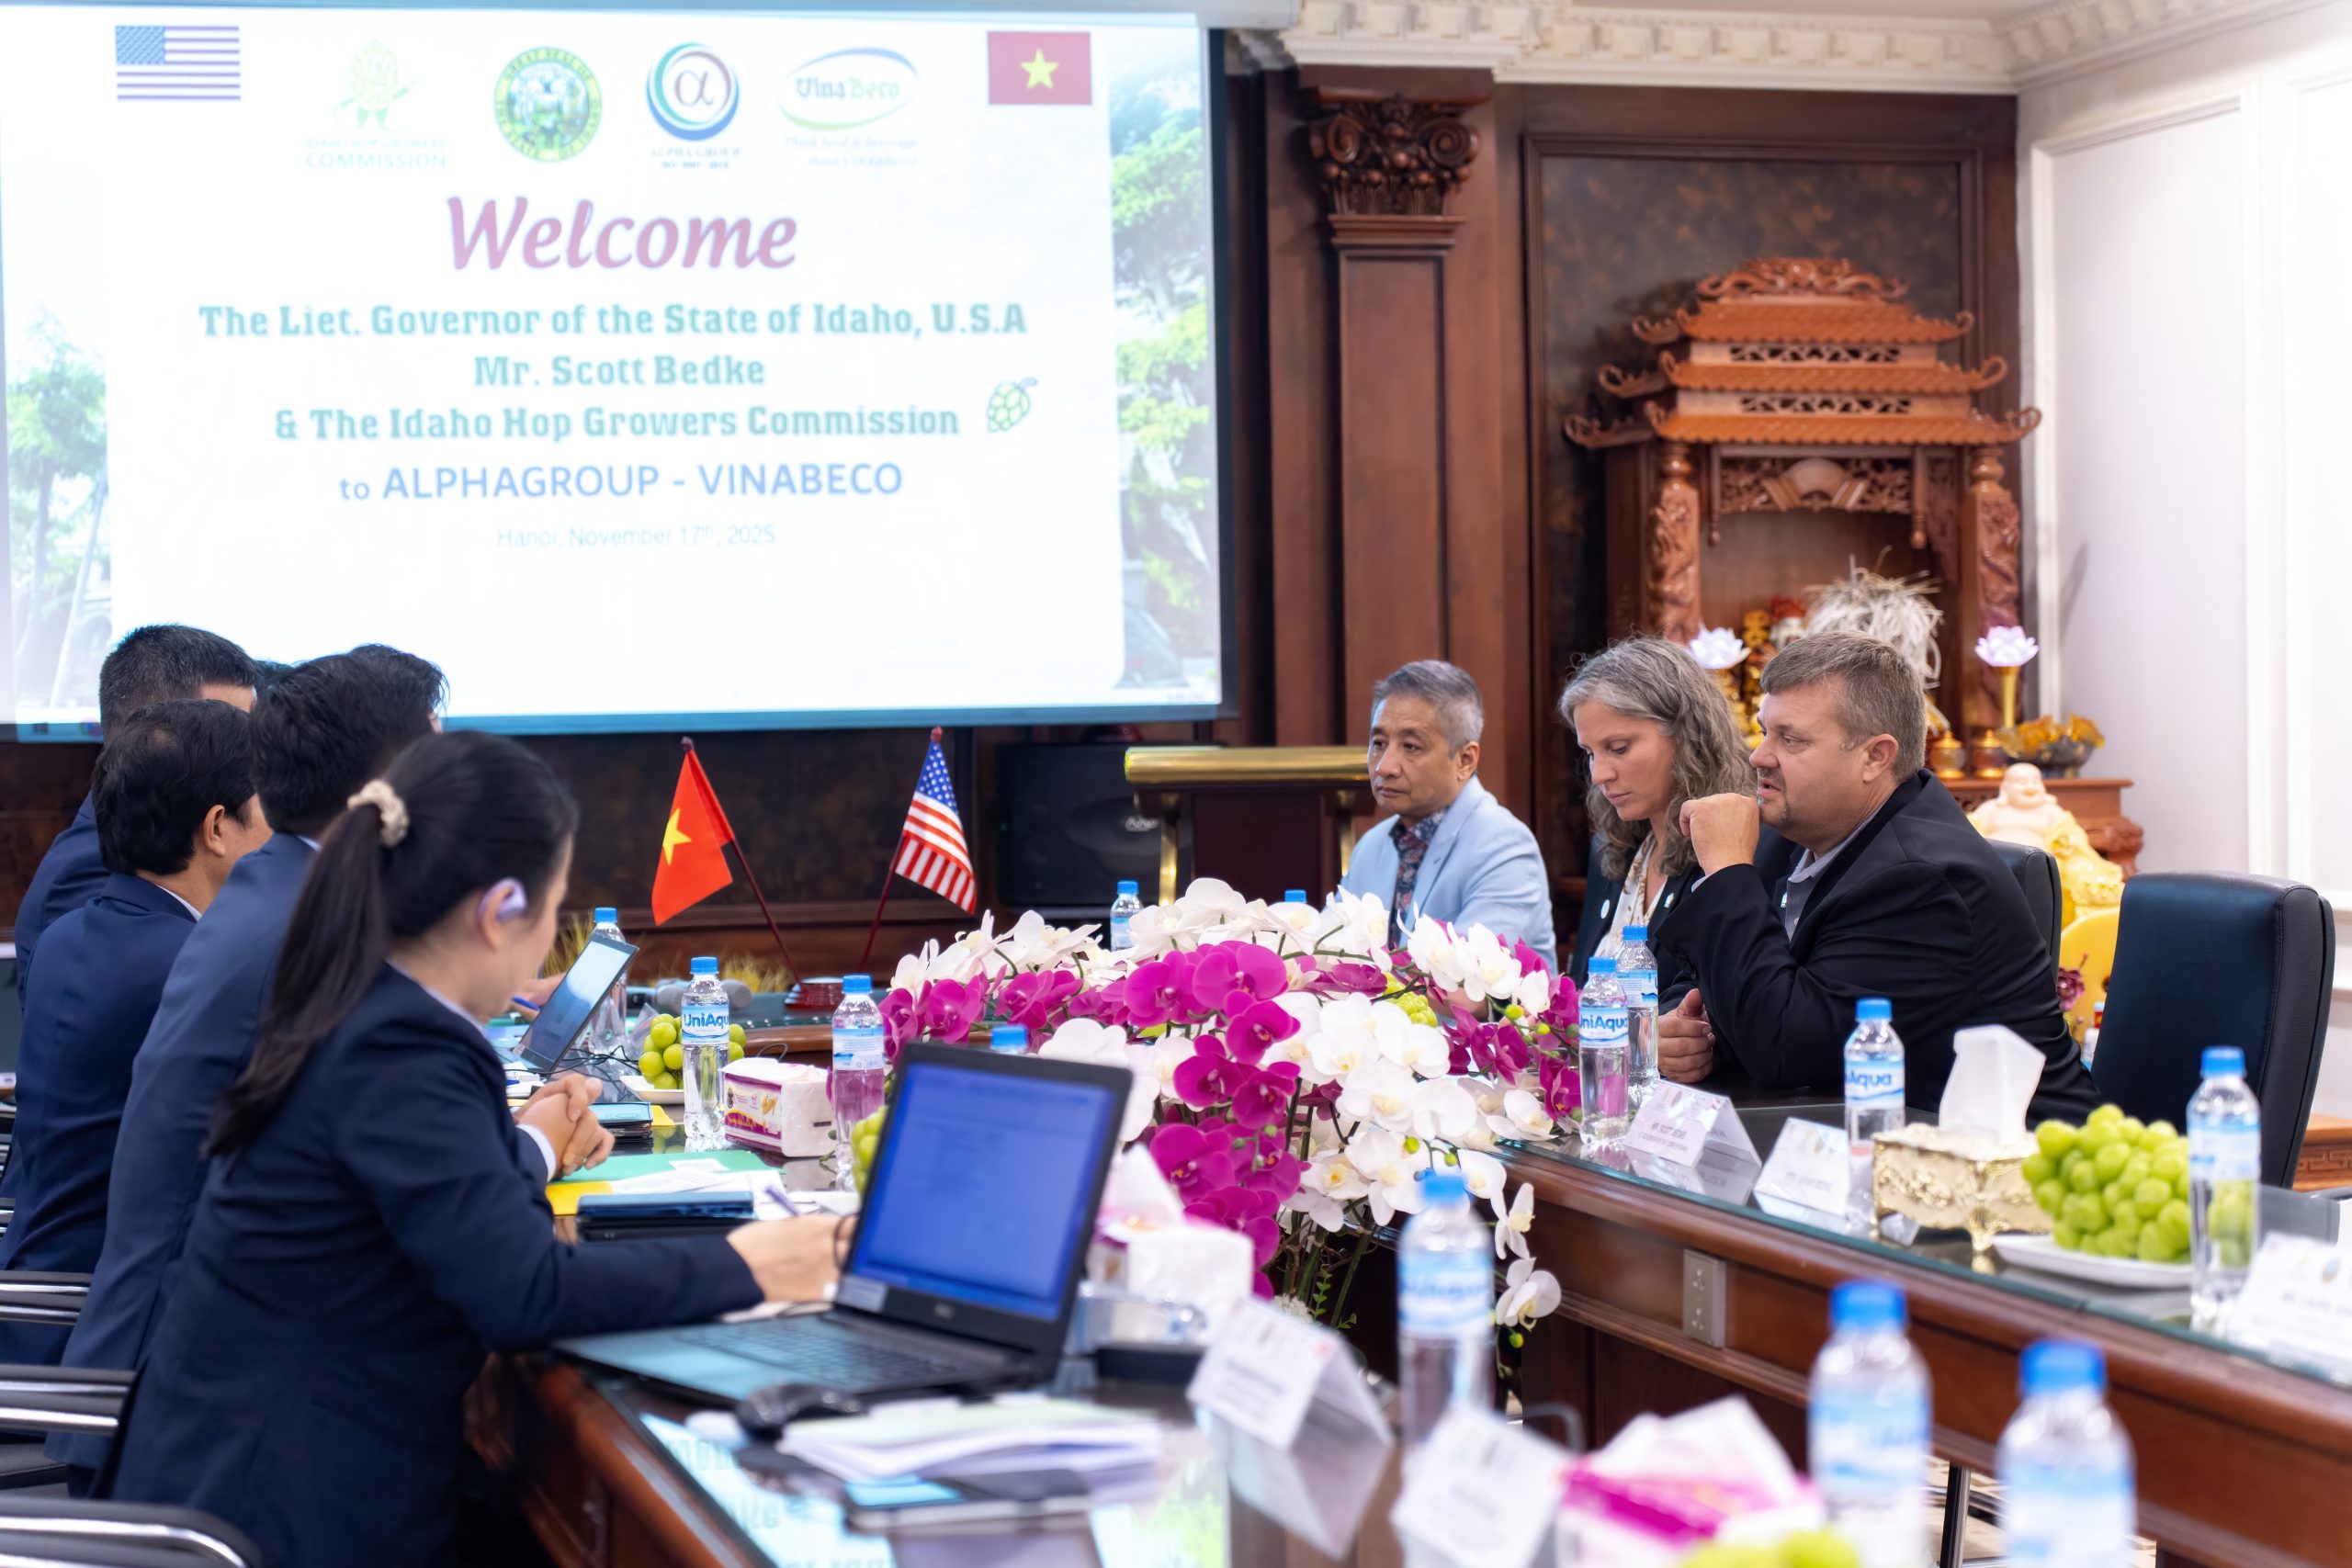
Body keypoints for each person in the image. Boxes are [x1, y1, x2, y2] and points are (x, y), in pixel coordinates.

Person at [109, 730, 838, 1567]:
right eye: (554, 907)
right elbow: (527, 1292)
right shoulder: (403, 1044)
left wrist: (527, 1148)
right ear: (499, 913)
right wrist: (757, 1262)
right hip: (280, 1514)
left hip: (253, 1469)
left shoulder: (363, 997)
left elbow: (425, 1205)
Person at [51, 647, 598, 1480]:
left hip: (198, 1382)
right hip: (215, 1429)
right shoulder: (312, 928)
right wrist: (533, 1145)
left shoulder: (277, 889)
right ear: (392, 790)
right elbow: (480, 1244)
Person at [1648, 632, 2100, 1122]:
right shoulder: (1793, 832)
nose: (1759, 756)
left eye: (1791, 739)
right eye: (1764, 731)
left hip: (2008, 1153)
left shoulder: (1924, 882)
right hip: (1851, 1134)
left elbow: (1783, 1047)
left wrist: (1728, 872)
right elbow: (1696, 978)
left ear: (1875, 757)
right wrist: (1687, 1031)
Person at [0, 700, 270, 1363]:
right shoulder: (191, 967)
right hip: (106, 1328)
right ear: (217, 827)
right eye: (268, 806)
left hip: (42, 1291)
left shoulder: (74, 932)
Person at [12, 625, 256, 1006]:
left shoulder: (187, 829)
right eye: (230, 731)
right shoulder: (85, 871)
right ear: (155, 737)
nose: (255, 750)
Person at [1559, 637, 1759, 986]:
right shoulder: (1612, 847)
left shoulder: (1735, 849)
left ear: (1687, 736)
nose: (1599, 774)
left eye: (1618, 748)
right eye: (1590, 753)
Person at [1340, 660, 1555, 969]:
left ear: (1465, 760)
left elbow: (1468, 978)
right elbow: (1330, 953)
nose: (1384, 766)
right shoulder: (1371, 847)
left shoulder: (1504, 846)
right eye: (1379, 743)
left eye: (1410, 746)